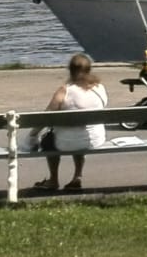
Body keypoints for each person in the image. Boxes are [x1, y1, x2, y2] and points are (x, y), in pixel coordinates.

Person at [35, 52, 108, 191]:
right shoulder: (100, 88)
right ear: (89, 70)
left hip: (66, 143)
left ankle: (53, 180)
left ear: (70, 70)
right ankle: (77, 177)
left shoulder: (65, 91)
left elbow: (46, 117)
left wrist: (32, 135)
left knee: (48, 140)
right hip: (95, 140)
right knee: (79, 130)